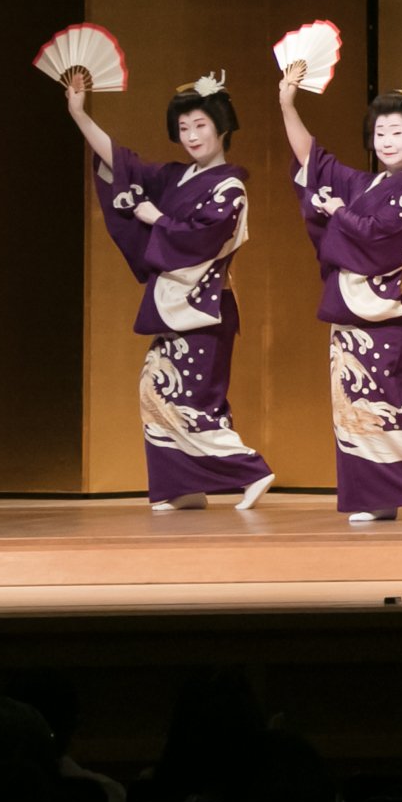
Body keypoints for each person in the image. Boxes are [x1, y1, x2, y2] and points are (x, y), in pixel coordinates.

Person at [62, 70, 274, 511]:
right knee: (157, 389)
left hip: (205, 306)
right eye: (184, 128)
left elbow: (204, 236)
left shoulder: (229, 187)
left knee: (191, 397)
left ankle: (249, 469)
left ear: (222, 127)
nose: (192, 136)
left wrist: (156, 219)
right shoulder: (177, 177)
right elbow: (125, 164)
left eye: (200, 125)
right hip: (176, 304)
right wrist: (80, 115)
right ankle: (182, 486)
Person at [277, 66, 402, 522]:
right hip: (351, 306)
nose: (385, 140)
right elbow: (313, 163)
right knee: (350, 405)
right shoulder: (369, 185)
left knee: (379, 403)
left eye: (396, 131)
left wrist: (340, 214)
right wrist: (287, 105)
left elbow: (382, 240)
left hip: (387, 310)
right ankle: (376, 497)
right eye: (380, 131)